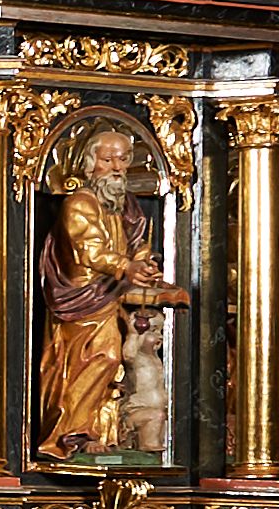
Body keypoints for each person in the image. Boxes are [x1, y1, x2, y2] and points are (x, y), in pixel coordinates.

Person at [38, 128, 189, 458]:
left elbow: (137, 244)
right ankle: (70, 433)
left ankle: (103, 432)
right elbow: (89, 250)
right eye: (108, 160)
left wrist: (143, 263)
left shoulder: (125, 205)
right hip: (81, 298)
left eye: (123, 160)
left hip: (113, 294)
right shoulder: (79, 203)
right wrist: (126, 267)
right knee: (97, 359)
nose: (117, 168)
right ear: (90, 163)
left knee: (117, 365)